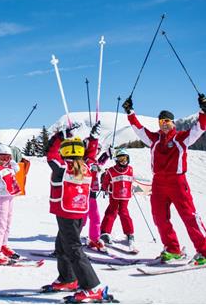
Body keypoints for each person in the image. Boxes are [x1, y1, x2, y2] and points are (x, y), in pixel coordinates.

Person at [122, 94, 206, 265]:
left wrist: (203, 111)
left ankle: (204, 250)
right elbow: (138, 128)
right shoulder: (154, 139)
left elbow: (200, 128)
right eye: (161, 121)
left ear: (173, 122)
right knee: (159, 216)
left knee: (189, 216)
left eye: (167, 121)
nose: (164, 124)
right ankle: (172, 249)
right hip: (159, 183)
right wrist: (130, 112)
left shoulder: (182, 138)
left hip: (177, 182)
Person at [44, 122, 111, 303]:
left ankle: (92, 286)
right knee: (61, 246)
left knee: (73, 249)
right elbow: (90, 155)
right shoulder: (87, 166)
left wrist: (60, 137)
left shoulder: (62, 169)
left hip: (66, 214)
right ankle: (68, 279)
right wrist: (94, 138)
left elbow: (50, 154)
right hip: (79, 214)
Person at [100, 148, 135, 249]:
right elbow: (106, 181)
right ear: (116, 160)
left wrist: (132, 187)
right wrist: (104, 187)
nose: (123, 161)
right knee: (112, 211)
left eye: (124, 158)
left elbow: (131, 179)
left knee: (124, 212)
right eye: (120, 159)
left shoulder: (130, 169)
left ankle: (129, 233)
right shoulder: (111, 170)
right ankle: (105, 232)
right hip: (114, 195)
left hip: (125, 195)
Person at [82, 143, 112, 251]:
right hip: (82, 193)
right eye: (96, 150)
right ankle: (71, 238)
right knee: (82, 219)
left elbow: (100, 162)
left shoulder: (94, 162)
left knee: (95, 217)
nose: (97, 152)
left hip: (92, 194)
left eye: (99, 150)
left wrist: (107, 154)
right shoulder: (82, 160)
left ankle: (94, 239)